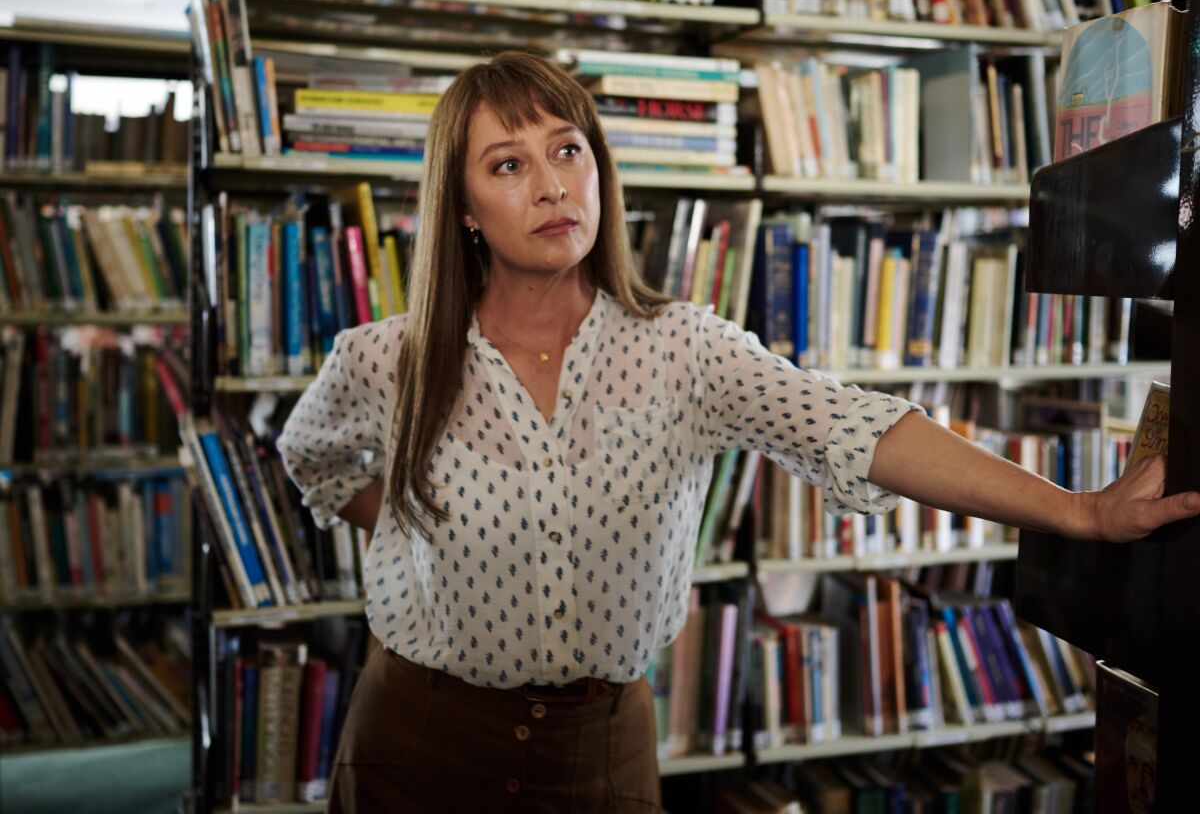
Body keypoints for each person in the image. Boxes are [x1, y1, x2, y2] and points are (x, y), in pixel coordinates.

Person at [277, 51, 1199, 813]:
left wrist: (1078, 512)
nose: (553, 184)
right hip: (419, 744)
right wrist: (415, 532)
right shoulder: (385, 359)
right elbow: (308, 457)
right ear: (466, 208)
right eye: (509, 164)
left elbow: (858, 428)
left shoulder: (684, 348)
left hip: (599, 757)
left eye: (569, 150)